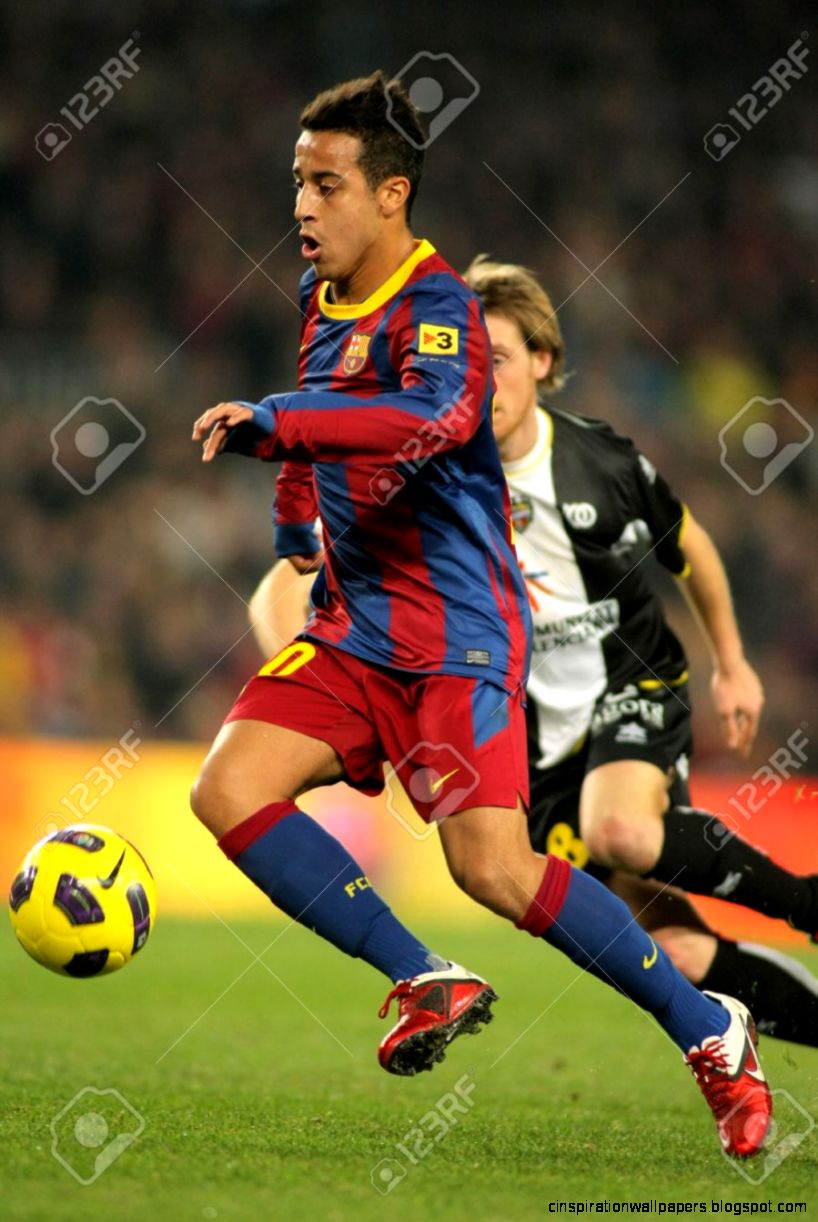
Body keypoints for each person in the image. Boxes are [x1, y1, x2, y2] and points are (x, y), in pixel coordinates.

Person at [190, 71, 770, 1157]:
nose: (301, 208)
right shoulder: (323, 303)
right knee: (226, 788)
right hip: (355, 628)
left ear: (391, 194)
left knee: (493, 868)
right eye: (296, 184)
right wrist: (290, 535)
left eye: (325, 185)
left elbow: (427, 414)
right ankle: (424, 973)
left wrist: (276, 423)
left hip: (455, 634)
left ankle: (709, 1031)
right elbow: (315, 436)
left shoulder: (440, 306)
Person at [250, 256, 818, 1051]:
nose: (479, 379)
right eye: (466, 361)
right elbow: (279, 586)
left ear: (543, 363)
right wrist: (336, 688)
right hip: (526, 738)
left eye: (500, 359)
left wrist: (733, 661)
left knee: (621, 831)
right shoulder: (416, 470)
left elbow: (689, 548)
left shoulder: (599, 460)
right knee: (680, 950)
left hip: (630, 686)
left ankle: (806, 902)